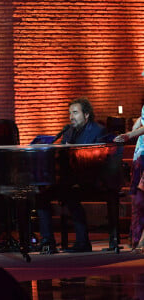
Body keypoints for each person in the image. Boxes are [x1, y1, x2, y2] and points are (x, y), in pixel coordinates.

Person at [37, 96, 107, 253]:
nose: (71, 117)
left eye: (75, 113)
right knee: (41, 195)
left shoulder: (98, 130)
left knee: (70, 194)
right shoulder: (68, 131)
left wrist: (74, 151)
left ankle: (83, 243)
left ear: (86, 114)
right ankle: (48, 242)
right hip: (70, 179)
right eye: (70, 113)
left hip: (93, 180)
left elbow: (99, 159)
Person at [114, 107, 144, 252]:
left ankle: (141, 241)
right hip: (140, 155)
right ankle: (137, 238)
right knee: (138, 201)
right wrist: (139, 120)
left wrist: (130, 134)